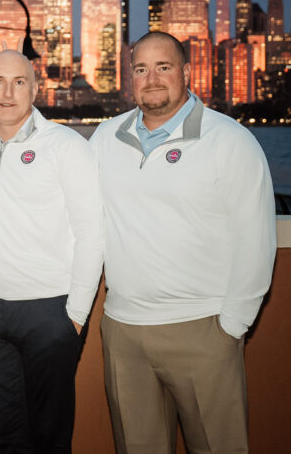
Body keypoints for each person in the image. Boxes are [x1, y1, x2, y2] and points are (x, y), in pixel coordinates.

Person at [89, 31, 276, 454]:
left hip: (203, 329)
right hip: (124, 331)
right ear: (129, 77)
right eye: (141, 69)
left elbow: (256, 240)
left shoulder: (229, 141)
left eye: (164, 67)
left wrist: (231, 328)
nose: (152, 78)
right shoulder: (105, 138)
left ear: (187, 73)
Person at [0, 50, 103, 453]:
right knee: (4, 436)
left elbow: (92, 233)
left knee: (50, 437)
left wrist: (74, 316)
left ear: (35, 90)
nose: (8, 92)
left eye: (19, 82)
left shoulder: (66, 146)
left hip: (51, 309)